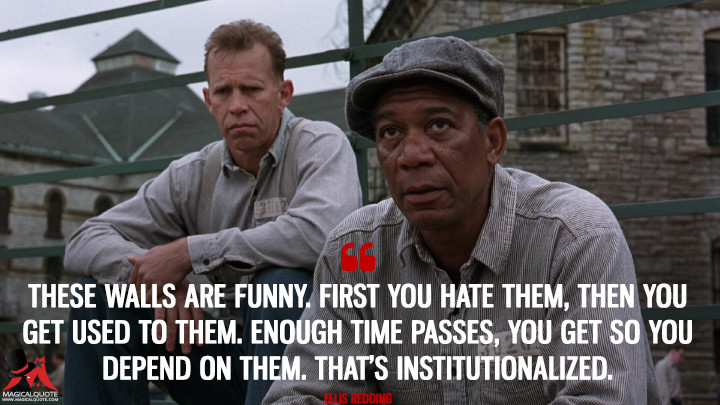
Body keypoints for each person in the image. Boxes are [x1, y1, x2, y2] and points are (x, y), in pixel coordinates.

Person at [264, 36, 660, 404]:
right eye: (390, 132)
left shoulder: (574, 237)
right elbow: (302, 396)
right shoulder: (355, 253)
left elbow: (601, 397)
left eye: (439, 126)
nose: (411, 155)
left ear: (493, 142)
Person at [62, 20, 362, 405]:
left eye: (252, 89)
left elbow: (320, 235)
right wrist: (156, 281)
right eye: (223, 91)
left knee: (281, 284)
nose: (237, 106)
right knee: (96, 295)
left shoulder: (320, 145)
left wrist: (189, 253)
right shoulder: (195, 173)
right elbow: (84, 239)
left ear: (283, 93)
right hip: (227, 362)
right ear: (208, 100)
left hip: (319, 363)